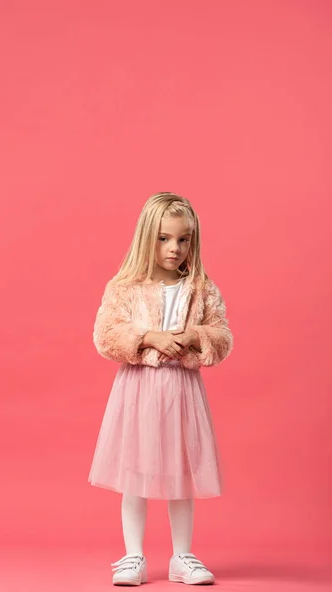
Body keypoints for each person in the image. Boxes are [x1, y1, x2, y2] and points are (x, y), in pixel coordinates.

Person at [88, 192, 233, 586]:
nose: (175, 248)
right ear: (146, 237)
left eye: (183, 239)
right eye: (165, 238)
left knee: (180, 471)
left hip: (182, 390)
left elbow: (221, 334)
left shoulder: (200, 287)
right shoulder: (125, 287)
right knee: (136, 470)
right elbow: (106, 334)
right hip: (138, 391)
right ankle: (133, 556)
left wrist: (195, 335)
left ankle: (181, 556)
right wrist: (149, 336)